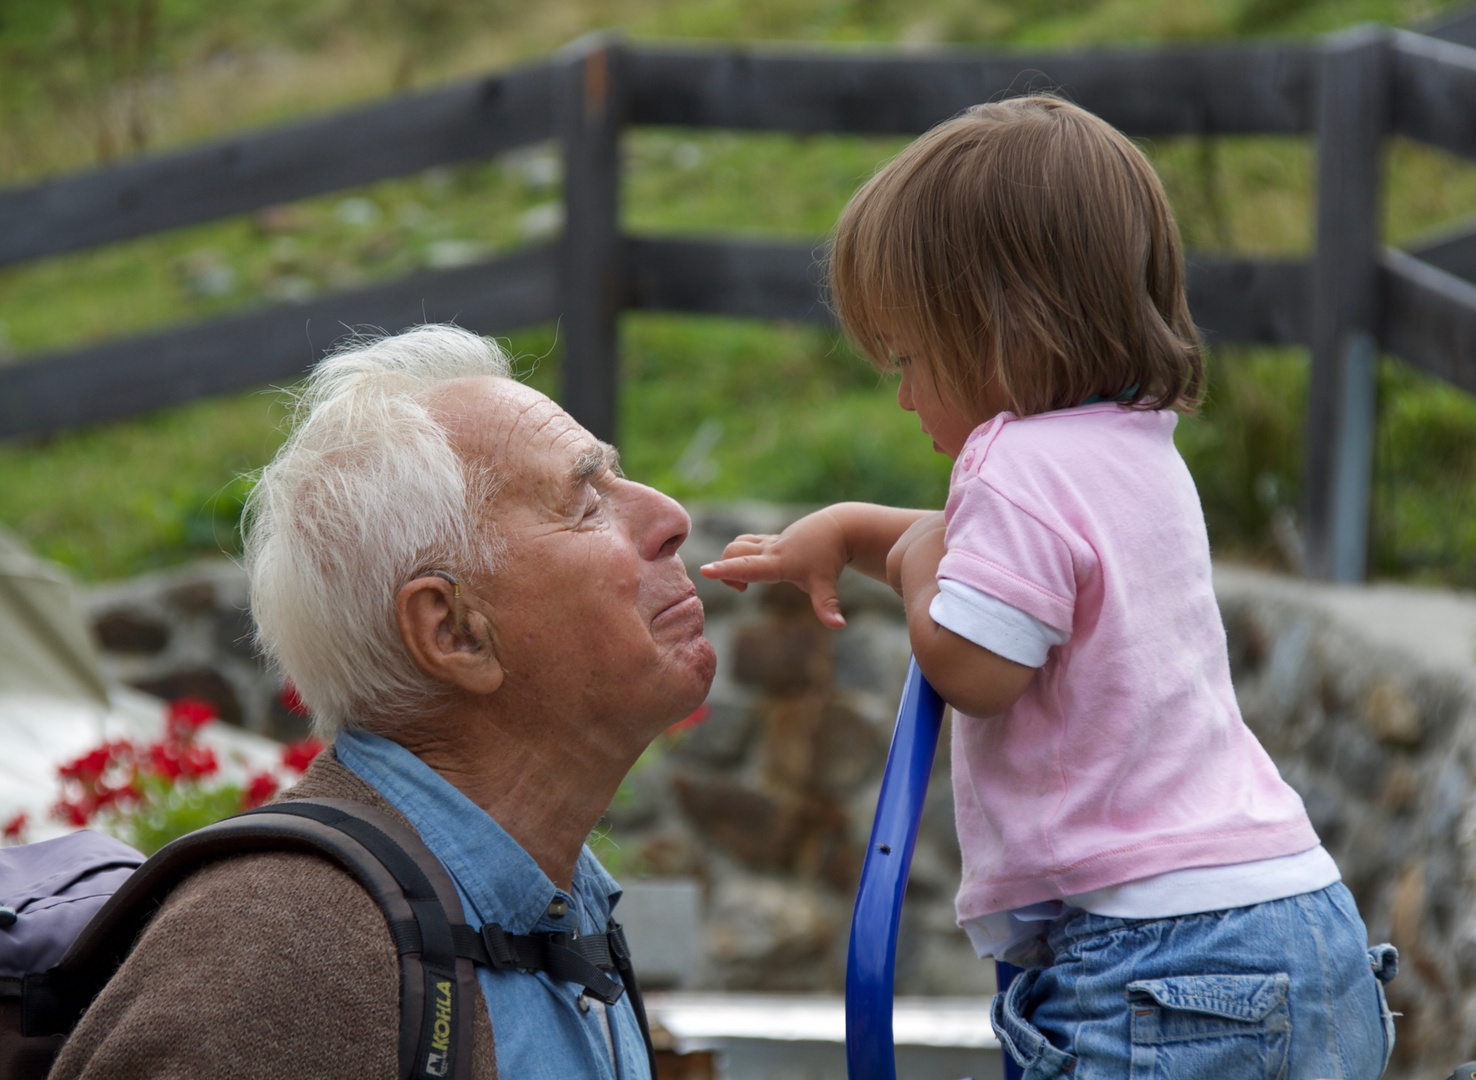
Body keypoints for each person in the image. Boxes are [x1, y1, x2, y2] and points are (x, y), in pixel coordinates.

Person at [701, 96, 1397, 1079]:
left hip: (1155, 955)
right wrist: (857, 531)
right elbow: (1004, 571)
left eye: (907, 357)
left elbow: (977, 666)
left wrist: (902, 562)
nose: (902, 396)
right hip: (1300, 922)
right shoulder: (1134, 450)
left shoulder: (1010, 464)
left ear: (998, 326)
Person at [49, 324, 716, 1080]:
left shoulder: (556, 915)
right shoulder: (281, 959)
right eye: (587, 501)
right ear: (454, 631)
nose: (670, 517)